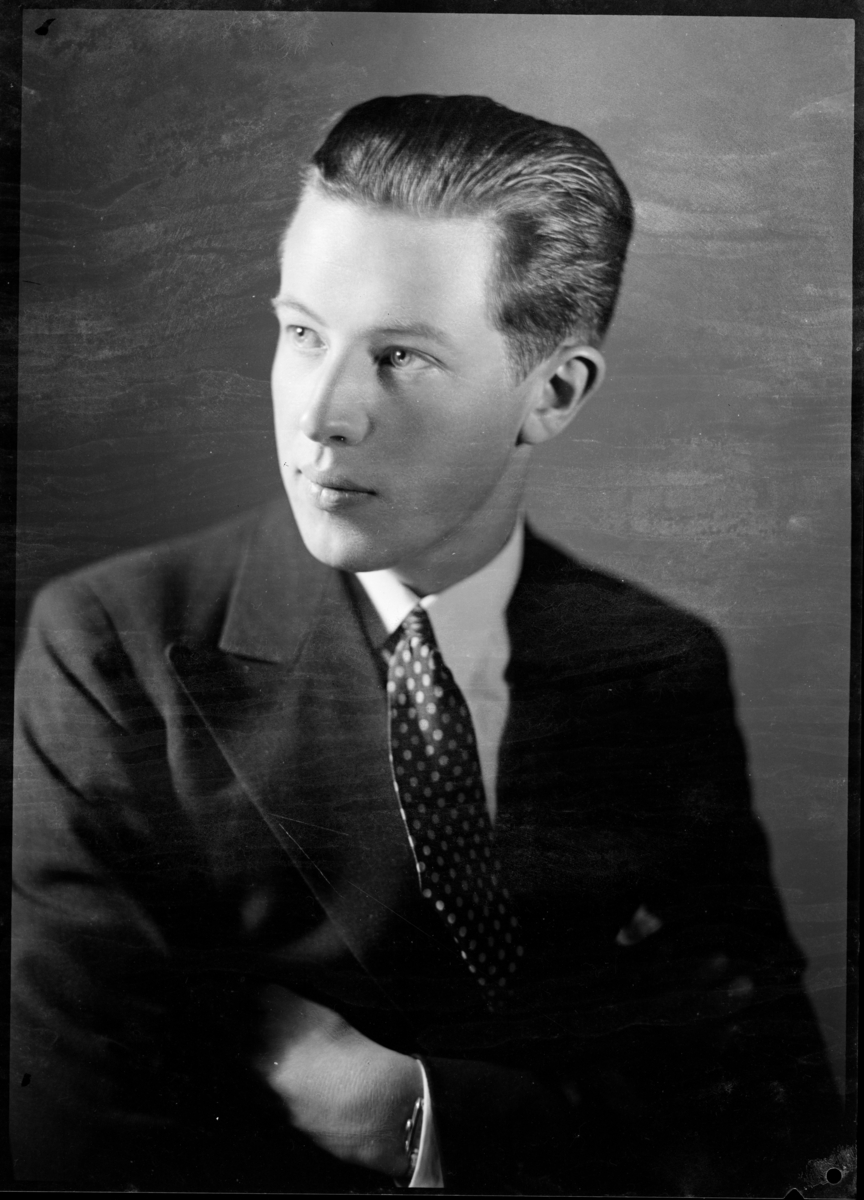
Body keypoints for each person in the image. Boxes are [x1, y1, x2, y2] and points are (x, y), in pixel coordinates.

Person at [11, 94, 841, 1194]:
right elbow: (77, 1142)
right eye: (302, 332)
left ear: (552, 394)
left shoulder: (656, 665)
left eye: (399, 354)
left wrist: (421, 1109)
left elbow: (777, 1120)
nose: (322, 413)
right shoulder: (112, 650)